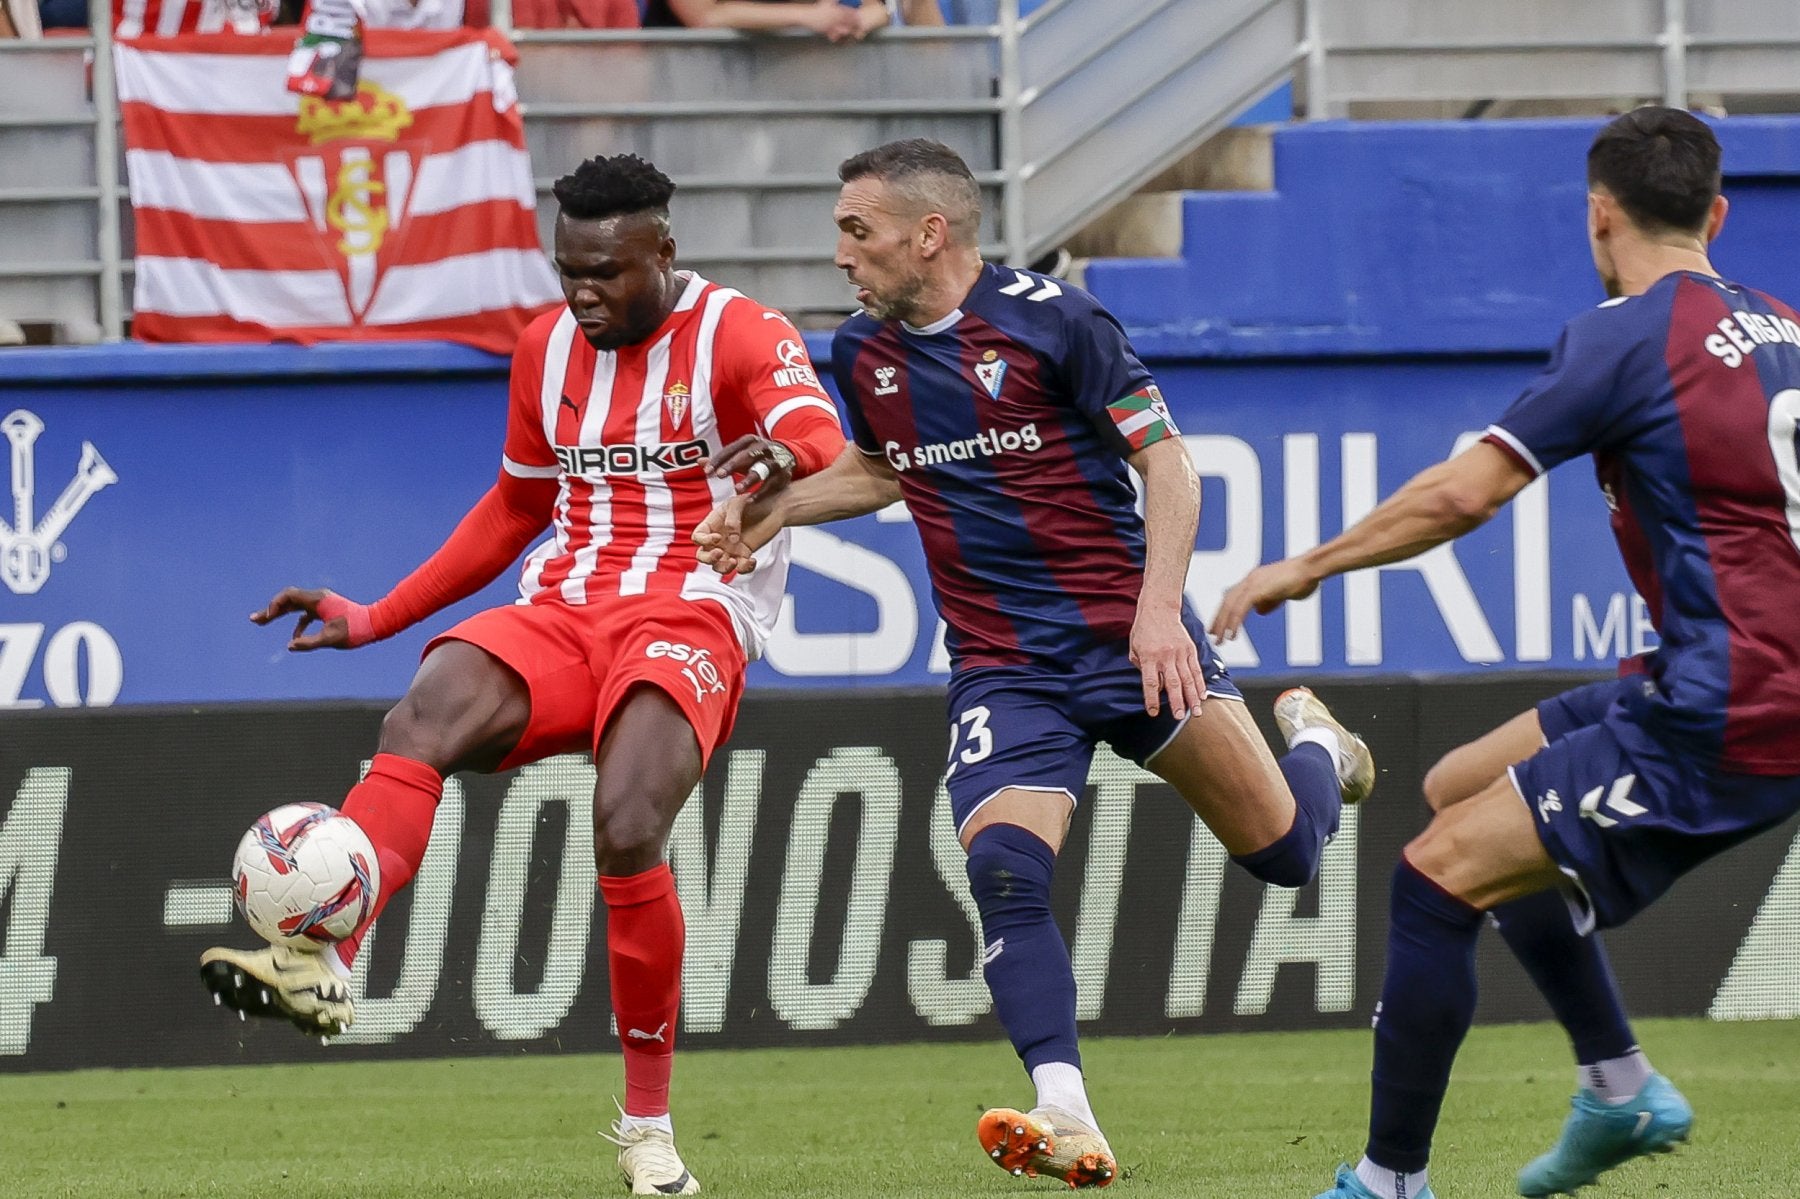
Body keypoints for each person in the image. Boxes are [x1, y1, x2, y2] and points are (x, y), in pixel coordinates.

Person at [693, 137, 1375, 1189]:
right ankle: (1064, 1105)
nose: (841, 256)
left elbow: (1169, 463)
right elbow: (880, 472)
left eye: (857, 231)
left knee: (1284, 856)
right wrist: (767, 510)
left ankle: (1320, 748)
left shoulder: (1056, 321)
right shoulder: (862, 356)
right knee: (1006, 869)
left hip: (1128, 640)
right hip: (1003, 666)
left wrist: (1159, 615)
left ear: (931, 233)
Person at [200, 152, 846, 1196]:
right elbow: (513, 509)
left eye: (608, 272)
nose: (584, 294)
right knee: (425, 709)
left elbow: (821, 437)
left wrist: (777, 460)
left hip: (693, 606)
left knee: (627, 817)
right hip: (564, 607)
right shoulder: (545, 348)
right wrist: (373, 616)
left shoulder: (739, 332)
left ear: (663, 253)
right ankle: (326, 958)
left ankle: (647, 1128)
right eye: (569, 271)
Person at [1210, 106, 1800, 1199]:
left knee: (1434, 879)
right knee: (1458, 786)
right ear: (1717, 213)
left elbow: (1467, 492)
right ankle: (1619, 1082)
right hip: (1717, 673)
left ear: (1598, 214)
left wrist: (1306, 565)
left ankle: (1389, 1181)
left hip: (1733, 702)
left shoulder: (1626, 333)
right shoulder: (1783, 323)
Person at [642, 0, 885, 41]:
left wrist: (854, 22)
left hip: (796, 92)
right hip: (697, 90)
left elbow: (877, 9)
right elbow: (704, 16)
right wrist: (807, 17)